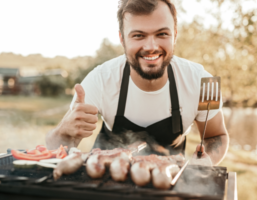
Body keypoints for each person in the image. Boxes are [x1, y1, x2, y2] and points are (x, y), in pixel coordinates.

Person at [46, 0, 229, 165]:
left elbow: (217, 136)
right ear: (122, 39)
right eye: (138, 36)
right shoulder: (100, 79)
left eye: (162, 34)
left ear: (174, 34)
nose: (151, 47)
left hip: (170, 184)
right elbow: (56, 148)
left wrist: (207, 160)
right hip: (106, 182)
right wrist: (63, 131)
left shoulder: (202, 80)